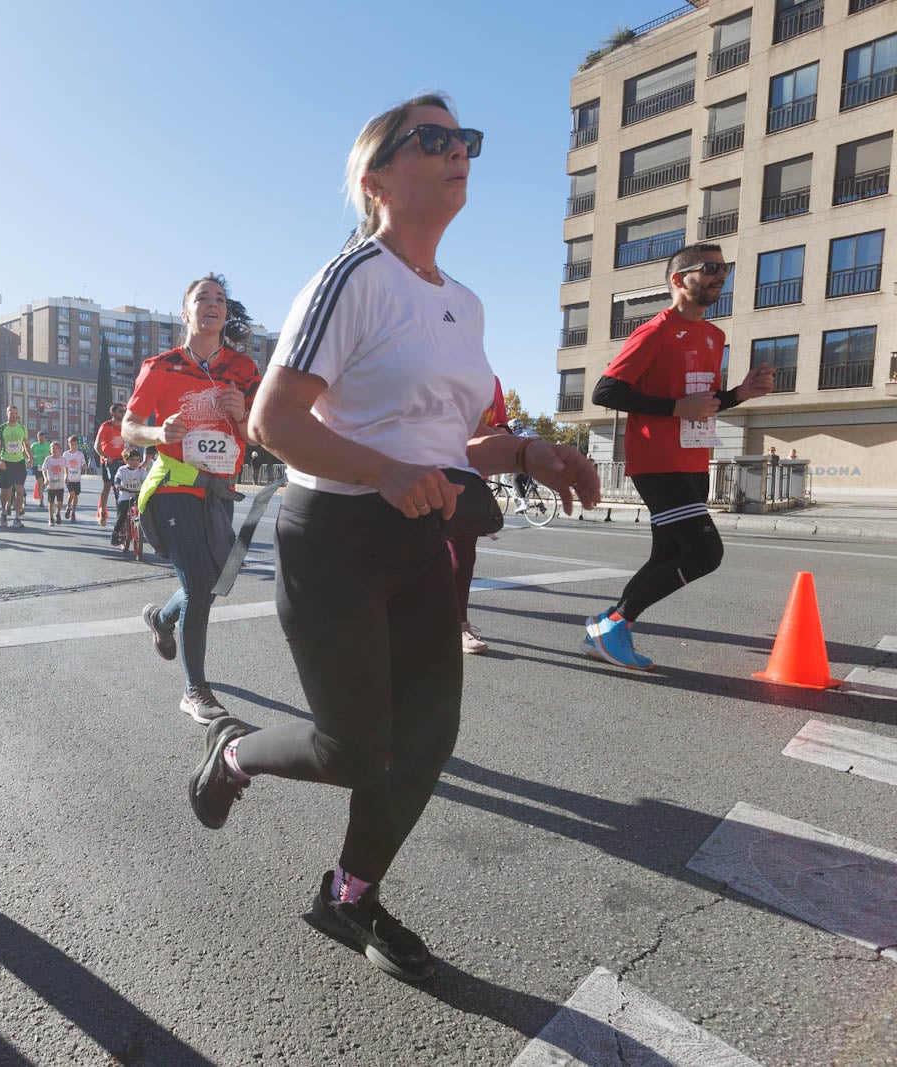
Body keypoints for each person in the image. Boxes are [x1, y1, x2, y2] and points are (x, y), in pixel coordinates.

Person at [189, 95, 600, 981]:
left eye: (467, 142)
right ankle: (231, 753)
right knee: (349, 749)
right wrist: (379, 471)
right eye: (436, 140)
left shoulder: (466, 304)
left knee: (426, 737)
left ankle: (349, 895)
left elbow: (447, 446)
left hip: (424, 533)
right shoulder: (354, 276)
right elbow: (273, 420)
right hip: (335, 532)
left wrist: (530, 449)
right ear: (376, 179)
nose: (460, 153)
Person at [584, 244, 772, 670]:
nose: (719, 276)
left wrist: (740, 393)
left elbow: (702, 402)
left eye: (724, 268)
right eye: (709, 269)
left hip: (693, 458)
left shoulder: (714, 336)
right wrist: (675, 409)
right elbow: (606, 392)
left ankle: (606, 629)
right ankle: (612, 625)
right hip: (656, 459)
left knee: (667, 556)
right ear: (677, 279)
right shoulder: (655, 331)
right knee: (705, 554)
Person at [125, 273, 262, 723]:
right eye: (202, 297)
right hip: (173, 484)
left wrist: (243, 418)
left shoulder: (243, 371)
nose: (212, 304)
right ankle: (195, 690)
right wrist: (156, 432)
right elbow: (130, 426)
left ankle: (163, 621)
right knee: (199, 585)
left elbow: (255, 436)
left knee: (208, 583)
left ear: (225, 313)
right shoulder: (160, 366)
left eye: (220, 299)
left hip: (219, 490)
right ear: (185, 312)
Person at [453, 377, 509, 655]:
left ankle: (458, 626)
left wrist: (501, 436)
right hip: (419, 471)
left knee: (462, 557)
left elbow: (501, 426)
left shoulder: (491, 380)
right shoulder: (434, 360)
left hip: (470, 477)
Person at [0, 404, 31, 528]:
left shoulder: (22, 428)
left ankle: (17, 517)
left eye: (15, 413)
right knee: (6, 492)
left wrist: (30, 457)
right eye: (11, 413)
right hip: (5, 462)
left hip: (19, 462)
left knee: (20, 490)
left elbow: (26, 444)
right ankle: (4, 511)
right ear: (7, 414)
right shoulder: (1, 428)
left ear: (17, 415)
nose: (13, 416)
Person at [95, 402, 127, 525]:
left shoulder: (125, 426)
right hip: (109, 461)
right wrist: (104, 456)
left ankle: (122, 515)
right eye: (120, 411)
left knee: (122, 488)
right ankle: (102, 512)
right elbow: (97, 445)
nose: (123, 413)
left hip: (122, 461)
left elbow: (131, 441)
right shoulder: (106, 426)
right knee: (108, 487)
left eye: (124, 411)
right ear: (112, 413)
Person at [109, 448, 147, 547]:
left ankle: (147, 532)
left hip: (138, 494)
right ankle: (115, 534)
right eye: (132, 460)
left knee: (146, 511)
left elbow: (146, 480)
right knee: (122, 515)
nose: (135, 462)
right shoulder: (122, 470)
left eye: (138, 460)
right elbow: (117, 479)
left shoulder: (141, 470)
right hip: (125, 495)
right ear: (126, 460)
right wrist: (117, 485)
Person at [41, 440, 68, 525]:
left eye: (56, 448)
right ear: (50, 450)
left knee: (60, 502)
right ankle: (51, 518)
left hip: (60, 485)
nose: (54, 450)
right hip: (51, 485)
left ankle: (58, 512)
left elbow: (66, 469)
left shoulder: (63, 459)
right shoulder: (48, 459)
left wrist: (66, 476)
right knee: (51, 502)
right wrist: (45, 479)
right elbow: (44, 470)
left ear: (60, 450)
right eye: (52, 448)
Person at [62, 434, 87, 521]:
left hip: (77, 478)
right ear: (69, 444)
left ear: (77, 445)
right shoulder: (65, 454)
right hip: (69, 478)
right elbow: (65, 466)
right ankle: (68, 507)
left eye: (75, 444)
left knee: (76, 496)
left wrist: (84, 466)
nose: (74, 446)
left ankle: (73, 512)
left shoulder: (80, 454)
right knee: (71, 494)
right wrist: (65, 475)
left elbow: (83, 463)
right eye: (72, 444)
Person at [29, 429, 53, 510]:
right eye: (39, 438)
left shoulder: (48, 445)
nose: (41, 439)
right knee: (39, 482)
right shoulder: (34, 445)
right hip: (38, 465)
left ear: (45, 438)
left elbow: (53, 454)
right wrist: (30, 460)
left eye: (42, 438)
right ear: (37, 438)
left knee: (46, 482)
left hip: (47, 466)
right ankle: (41, 501)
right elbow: (29, 454)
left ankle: (42, 490)